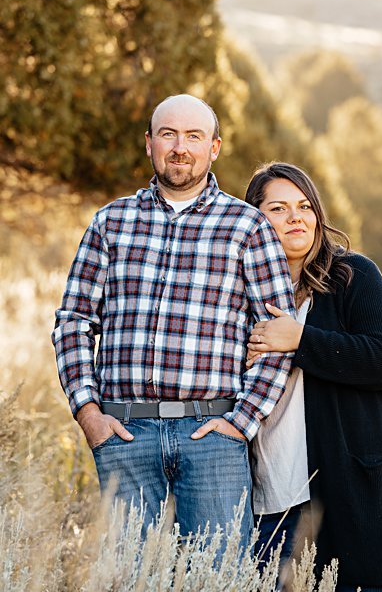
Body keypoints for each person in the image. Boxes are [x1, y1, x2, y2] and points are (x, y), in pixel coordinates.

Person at [52, 95, 296, 555]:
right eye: (168, 134)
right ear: (149, 144)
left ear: (215, 147)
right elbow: (73, 321)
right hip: (124, 434)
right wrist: (88, 414)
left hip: (213, 438)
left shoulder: (246, 227)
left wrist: (241, 422)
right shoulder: (111, 222)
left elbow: (276, 335)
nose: (180, 147)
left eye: (193, 136)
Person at [244, 161, 382, 592]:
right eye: (277, 209)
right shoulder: (243, 295)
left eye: (304, 206)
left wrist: (299, 338)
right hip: (272, 488)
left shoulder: (352, 275)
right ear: (253, 219)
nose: (295, 218)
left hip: (352, 485)